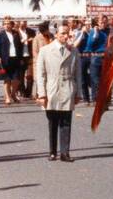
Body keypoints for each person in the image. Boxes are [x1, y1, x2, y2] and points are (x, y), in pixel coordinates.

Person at [35, 23, 81, 162]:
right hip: (52, 89)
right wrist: (42, 94)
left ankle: (65, 152)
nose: (65, 36)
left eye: (67, 33)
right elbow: (40, 74)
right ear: (56, 34)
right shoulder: (45, 51)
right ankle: (53, 151)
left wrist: (78, 93)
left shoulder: (73, 51)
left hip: (67, 88)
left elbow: (78, 73)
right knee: (53, 122)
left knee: (66, 122)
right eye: (62, 33)